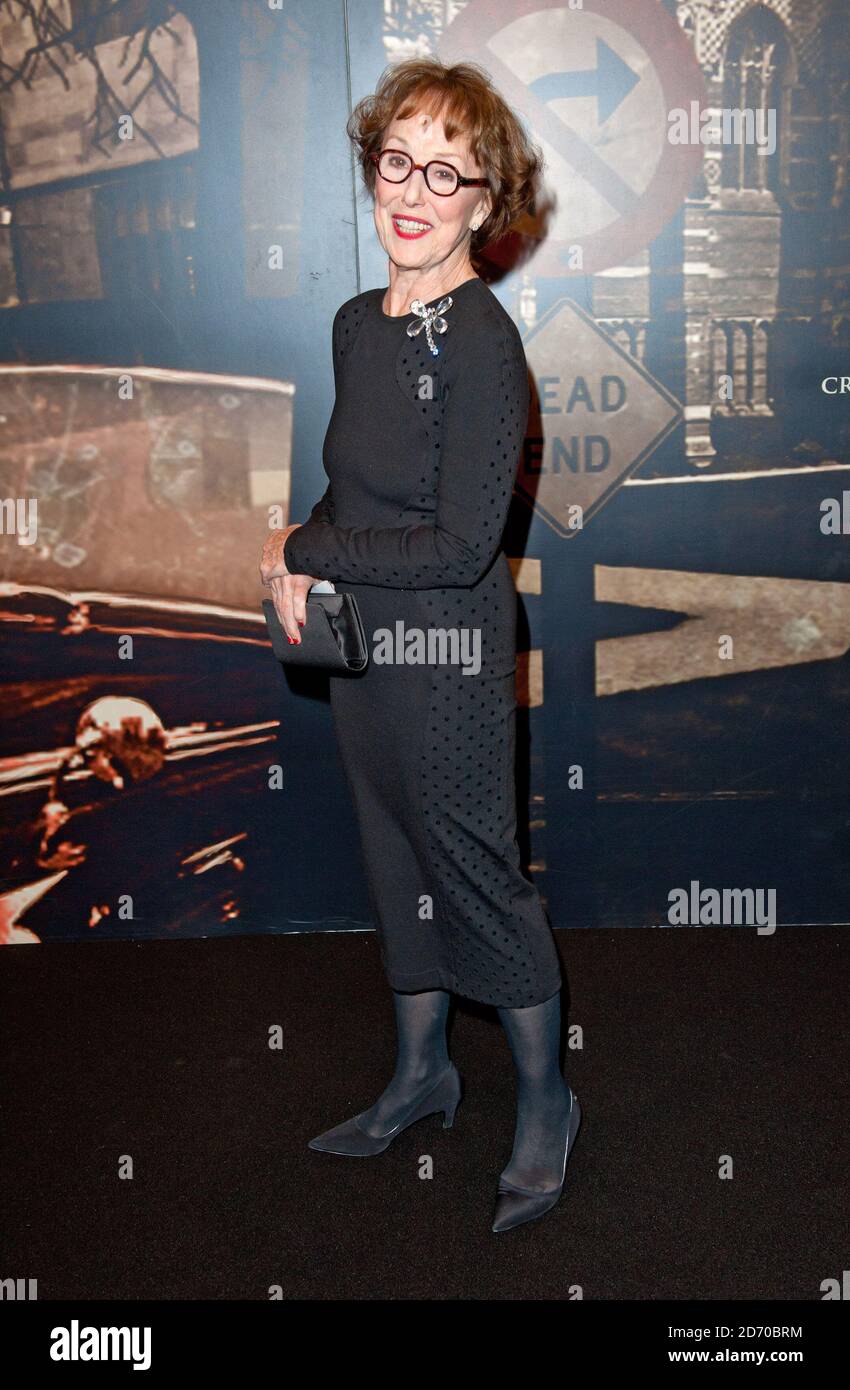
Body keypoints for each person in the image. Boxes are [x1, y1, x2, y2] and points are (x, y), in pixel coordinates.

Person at [259, 56, 581, 1233]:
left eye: (447, 170)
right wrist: (291, 554)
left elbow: (456, 549)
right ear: (372, 168)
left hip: (447, 652)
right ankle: (421, 1075)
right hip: (361, 653)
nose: (414, 187)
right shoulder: (356, 324)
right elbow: (347, 492)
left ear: (483, 204)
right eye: (398, 157)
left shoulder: (485, 345)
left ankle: (546, 1099)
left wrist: (310, 546)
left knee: (476, 877)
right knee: (395, 861)